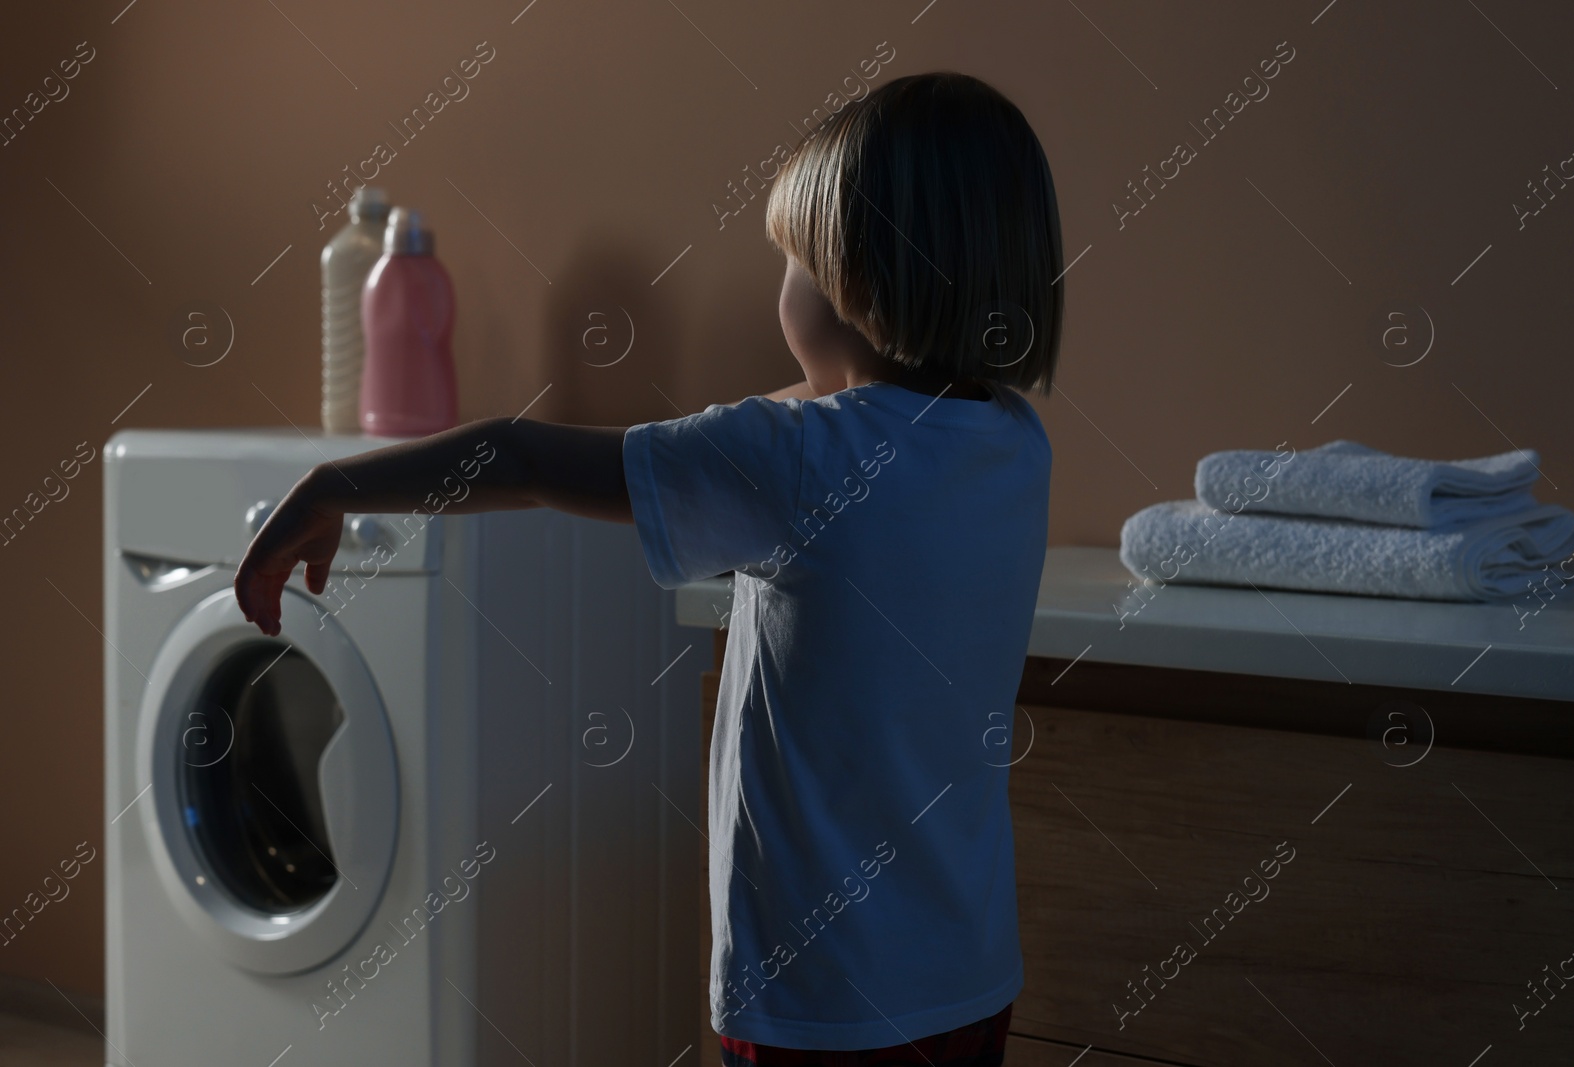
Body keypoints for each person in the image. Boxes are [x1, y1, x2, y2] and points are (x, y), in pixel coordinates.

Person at [235, 70, 1062, 1067]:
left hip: (822, 994)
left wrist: (335, 484)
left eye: (793, 261)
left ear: (861, 287)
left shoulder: (795, 460)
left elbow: (525, 455)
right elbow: (844, 417)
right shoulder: (1011, 442)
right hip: (966, 978)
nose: (780, 290)